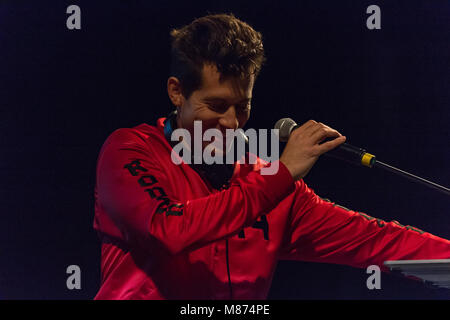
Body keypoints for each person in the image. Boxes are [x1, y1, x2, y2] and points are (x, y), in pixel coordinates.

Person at [93, 13, 450, 299]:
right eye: (216, 106)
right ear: (177, 92)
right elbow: (166, 230)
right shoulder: (129, 150)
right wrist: (279, 176)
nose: (232, 123)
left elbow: (376, 242)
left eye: (242, 107)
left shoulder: (268, 181)